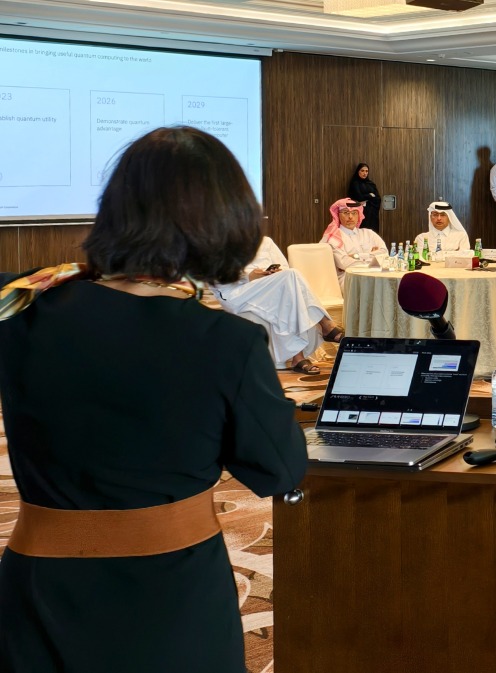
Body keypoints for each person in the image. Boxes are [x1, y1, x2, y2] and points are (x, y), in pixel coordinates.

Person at [0, 126, 306, 672]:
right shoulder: (224, 342)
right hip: (171, 595)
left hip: (36, 589)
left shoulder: (21, 307)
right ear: (223, 220)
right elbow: (278, 469)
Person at [214, 236, 344, 375]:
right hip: (238, 292)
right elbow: (216, 277)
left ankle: (298, 356)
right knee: (290, 280)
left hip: (270, 284)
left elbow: (284, 267)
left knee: (291, 277)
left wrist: (273, 273)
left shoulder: (266, 241)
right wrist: (248, 276)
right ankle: (326, 326)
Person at [321, 198, 386, 286]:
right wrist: (372, 257)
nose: (350, 217)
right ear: (338, 215)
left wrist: (357, 256)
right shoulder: (334, 237)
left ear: (358, 215)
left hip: (372, 273)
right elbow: (345, 263)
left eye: (354, 213)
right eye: (346, 213)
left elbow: (384, 253)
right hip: (348, 278)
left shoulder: (368, 233)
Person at [347, 163, 382, 232]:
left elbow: (378, 198)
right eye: (362, 171)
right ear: (358, 172)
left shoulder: (371, 184)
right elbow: (359, 197)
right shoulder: (355, 183)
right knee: (362, 232)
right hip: (360, 213)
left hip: (372, 213)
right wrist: (370, 195)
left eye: (366, 171)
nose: (365, 173)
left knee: (372, 233)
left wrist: (366, 199)